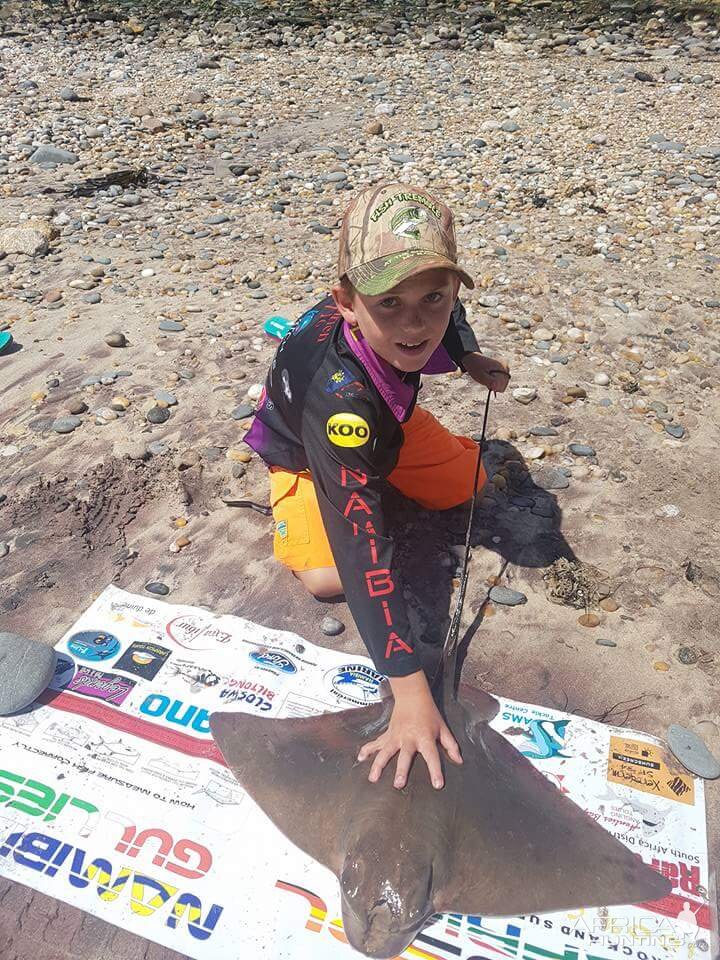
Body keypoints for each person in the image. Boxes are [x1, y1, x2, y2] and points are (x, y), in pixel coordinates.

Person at [244, 183, 510, 790]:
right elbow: (363, 550)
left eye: (432, 297)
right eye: (387, 303)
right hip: (314, 448)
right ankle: (313, 493)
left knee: (472, 482)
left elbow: (448, 314)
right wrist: (410, 689)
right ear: (345, 301)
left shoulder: (421, 312)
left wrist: (466, 356)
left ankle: (379, 470)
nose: (415, 324)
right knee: (331, 576)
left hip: (386, 420)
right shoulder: (335, 397)